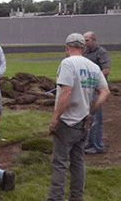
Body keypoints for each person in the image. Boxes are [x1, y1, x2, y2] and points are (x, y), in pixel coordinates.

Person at [47, 33, 110, 201]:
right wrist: (91, 110)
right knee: (78, 162)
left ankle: (55, 198)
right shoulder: (93, 67)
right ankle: (77, 197)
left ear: (67, 47)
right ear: (83, 48)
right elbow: (105, 92)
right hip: (83, 121)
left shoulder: (67, 63)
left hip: (67, 121)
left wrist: (55, 119)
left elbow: (66, 92)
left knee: (60, 163)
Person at [82, 31, 111, 155]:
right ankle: (90, 143)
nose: (85, 43)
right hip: (87, 89)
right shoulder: (85, 53)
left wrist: (93, 79)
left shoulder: (102, 52)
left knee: (96, 119)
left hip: (97, 90)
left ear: (94, 40)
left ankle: (98, 146)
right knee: (89, 118)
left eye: (87, 40)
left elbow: (106, 70)